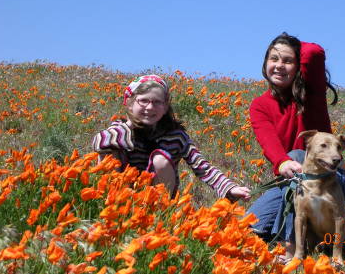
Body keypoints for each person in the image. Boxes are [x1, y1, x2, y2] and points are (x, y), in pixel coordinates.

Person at [246, 32, 345, 257]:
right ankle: (312, 234)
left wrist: (288, 43)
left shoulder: (311, 93)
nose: (279, 65)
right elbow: (268, 140)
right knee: (248, 228)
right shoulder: (259, 105)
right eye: (273, 59)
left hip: (329, 177)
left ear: (298, 66)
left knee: (297, 153)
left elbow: (314, 52)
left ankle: (291, 248)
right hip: (289, 180)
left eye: (287, 61)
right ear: (265, 62)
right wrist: (282, 162)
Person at [92, 74, 251, 201]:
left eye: (157, 102)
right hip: (123, 193)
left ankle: (159, 212)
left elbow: (201, 166)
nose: (149, 107)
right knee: (109, 148)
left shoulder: (175, 136)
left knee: (160, 159)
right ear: (130, 103)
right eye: (143, 101)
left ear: (165, 106)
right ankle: (112, 205)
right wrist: (127, 129)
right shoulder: (120, 129)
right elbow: (100, 141)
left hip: (157, 194)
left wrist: (229, 187)